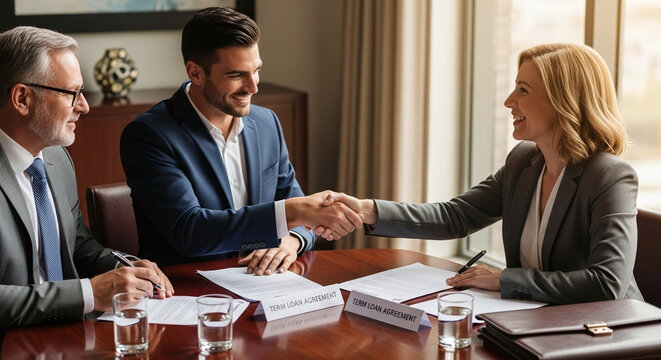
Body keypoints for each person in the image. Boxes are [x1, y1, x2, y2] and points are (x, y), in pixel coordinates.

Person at [322, 43, 642, 304]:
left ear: (563, 100)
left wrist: (502, 279)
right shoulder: (524, 162)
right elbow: (455, 216)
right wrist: (366, 210)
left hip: (605, 333)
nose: (508, 101)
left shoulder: (609, 176)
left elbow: (607, 283)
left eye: (523, 90)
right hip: (538, 320)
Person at [120, 7, 361, 272]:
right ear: (196, 72)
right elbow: (190, 232)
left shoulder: (267, 123)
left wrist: (292, 240)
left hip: (268, 284)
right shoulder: (150, 134)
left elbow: (304, 217)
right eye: (236, 75)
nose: (253, 86)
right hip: (189, 292)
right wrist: (289, 213)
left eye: (256, 70)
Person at [0, 26, 174, 334]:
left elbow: (78, 242)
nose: (84, 106)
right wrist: (89, 293)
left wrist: (124, 268)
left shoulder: (56, 158)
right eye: (72, 94)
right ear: (22, 98)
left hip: (71, 335)